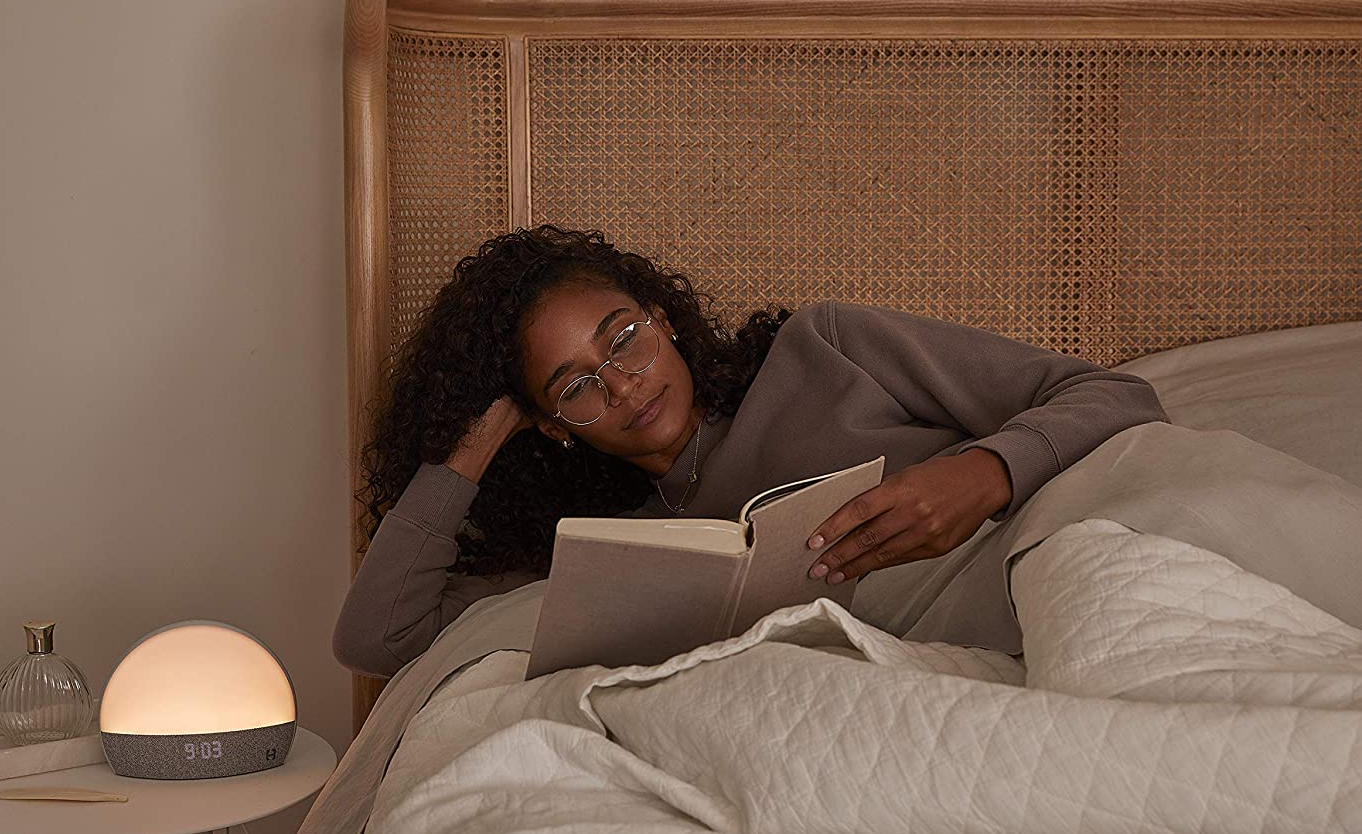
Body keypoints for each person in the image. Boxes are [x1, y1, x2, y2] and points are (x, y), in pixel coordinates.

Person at [333, 225, 1169, 678]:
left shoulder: (827, 347)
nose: (623, 387)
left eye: (623, 339)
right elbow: (381, 639)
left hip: (1049, 592)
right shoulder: (598, 543)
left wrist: (983, 473)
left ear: (662, 316)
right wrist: (470, 447)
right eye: (575, 386)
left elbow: (1120, 397)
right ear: (550, 424)